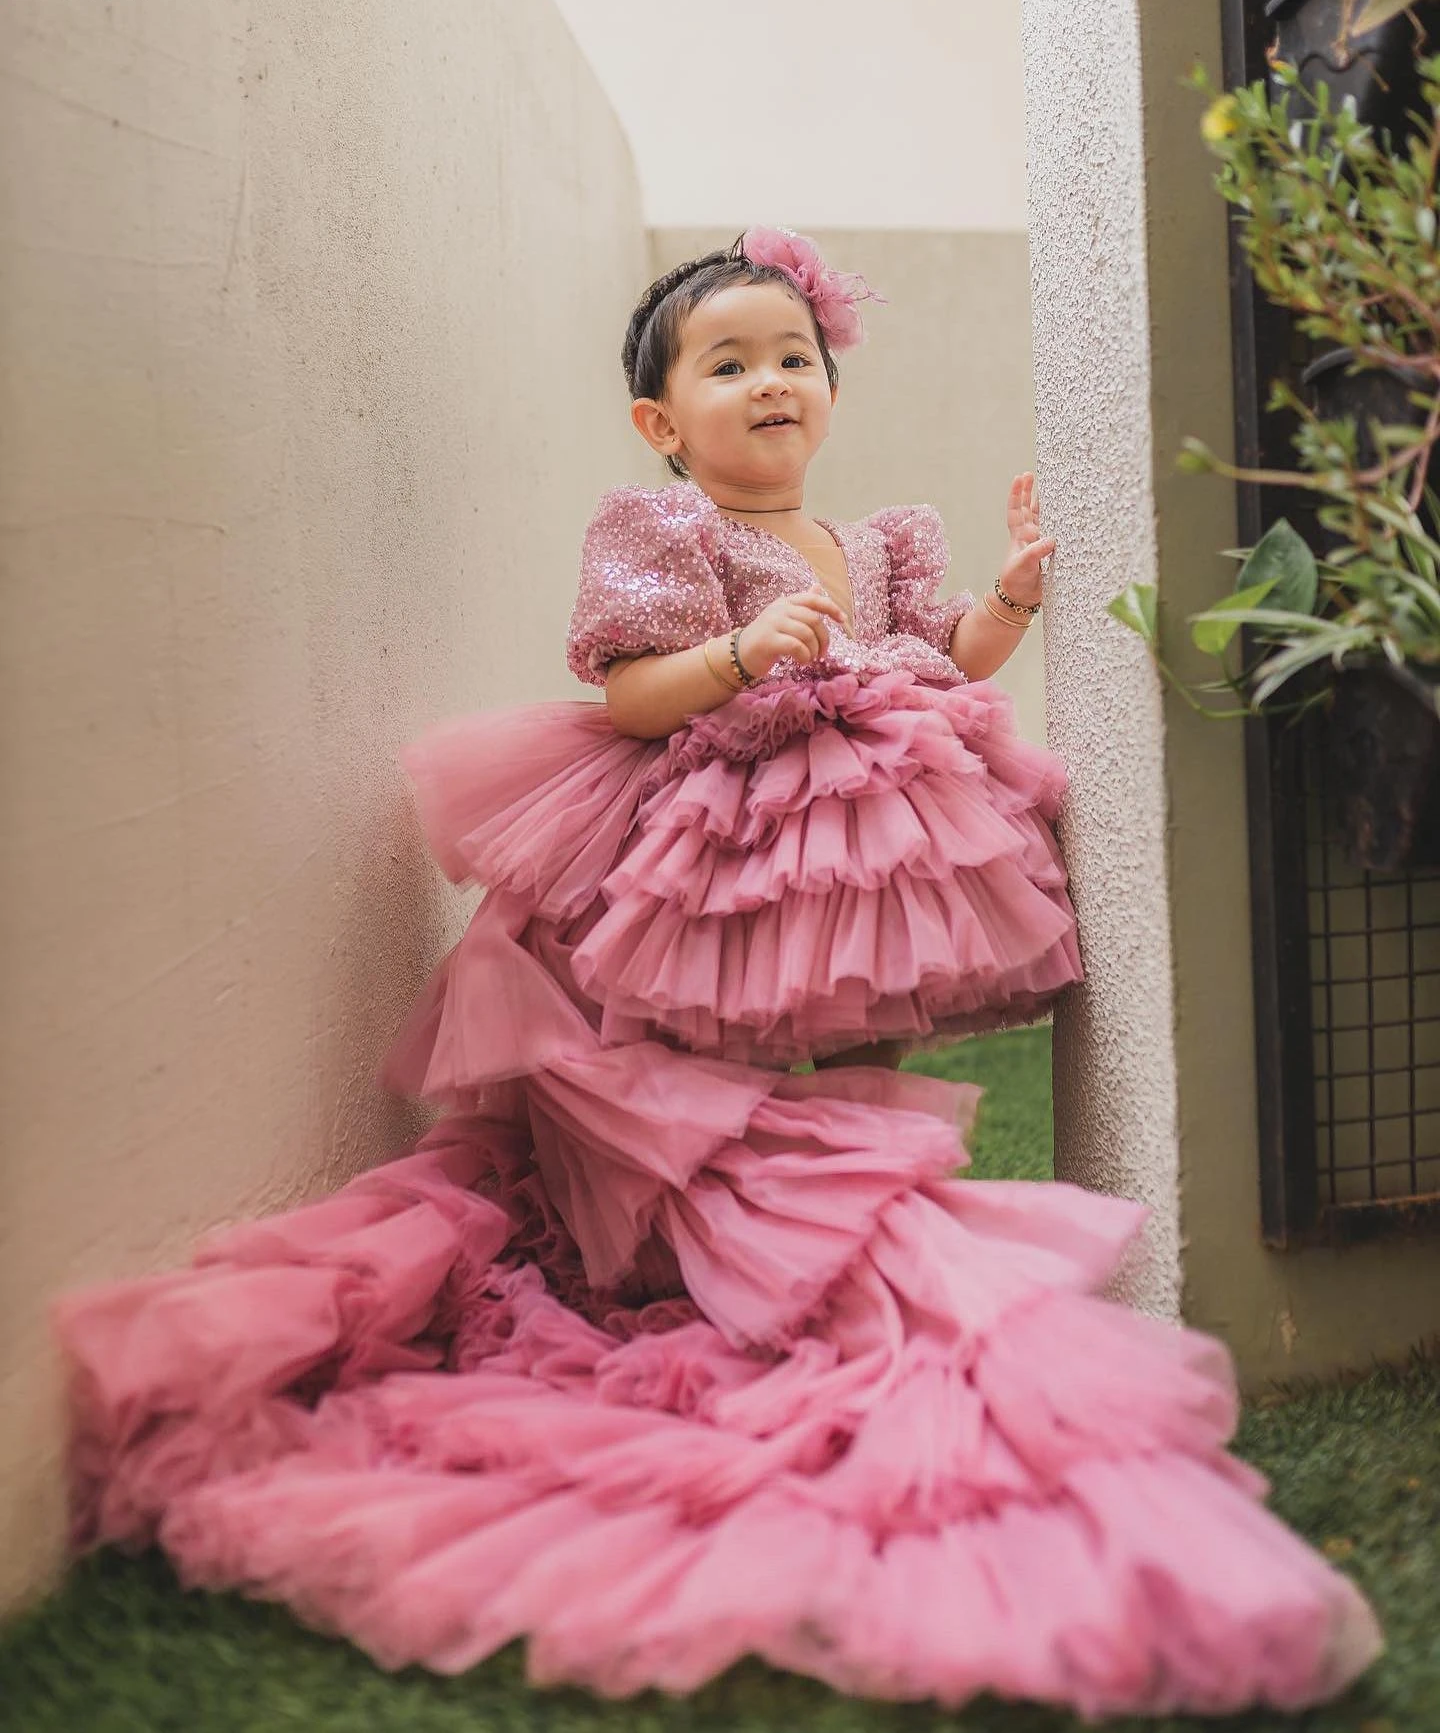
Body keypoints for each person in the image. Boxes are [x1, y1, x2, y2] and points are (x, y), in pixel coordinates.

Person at [52, 228, 1382, 1717]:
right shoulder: (665, 529)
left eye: (795, 358)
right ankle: (710, 1196)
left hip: (824, 828)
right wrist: (744, 651)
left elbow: (940, 654)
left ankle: (771, 1177)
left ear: (830, 390)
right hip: (700, 821)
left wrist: (1004, 600)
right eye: (730, 362)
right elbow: (623, 693)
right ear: (662, 421)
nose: (771, 383)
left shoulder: (869, 539)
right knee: (680, 1035)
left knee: (797, 1018)